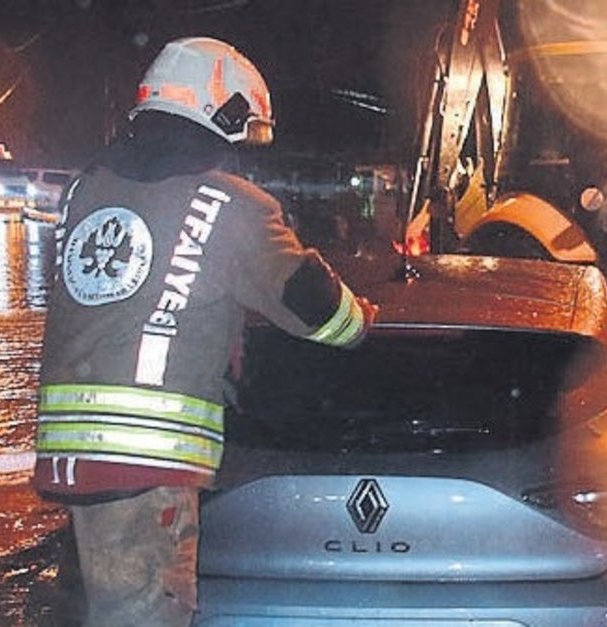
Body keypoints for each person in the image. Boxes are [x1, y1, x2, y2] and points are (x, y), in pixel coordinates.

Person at [32, 37, 377, 627]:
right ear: (226, 114)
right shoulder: (234, 206)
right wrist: (366, 314)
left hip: (70, 456)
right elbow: (325, 316)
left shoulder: (87, 187)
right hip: (145, 466)